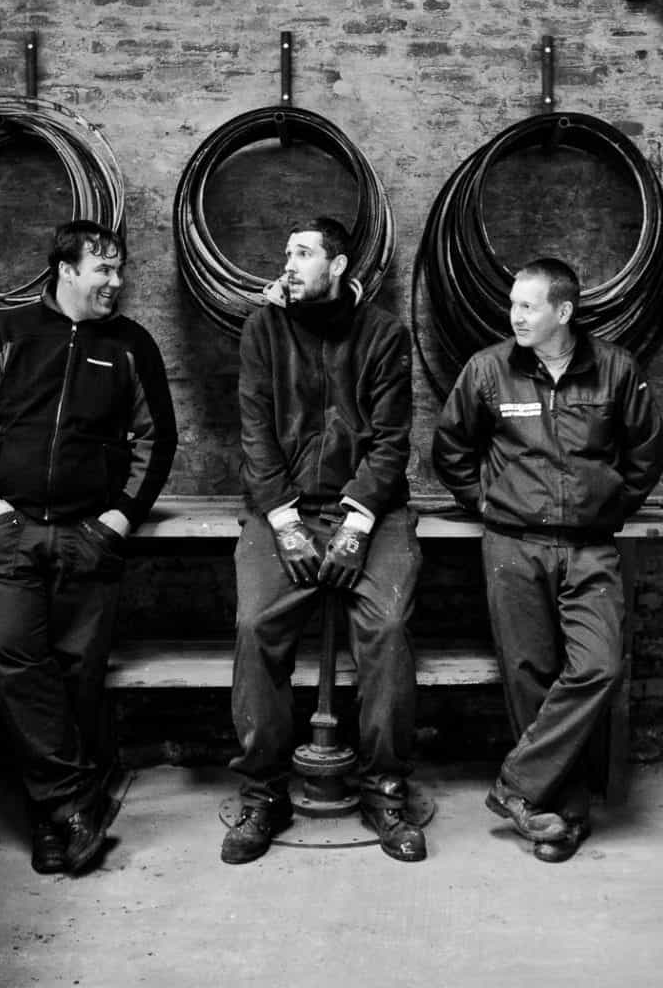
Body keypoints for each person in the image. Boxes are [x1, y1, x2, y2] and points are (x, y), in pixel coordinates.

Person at [0, 220, 176, 876]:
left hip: (87, 536)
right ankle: (76, 805)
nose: (116, 281)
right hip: (13, 534)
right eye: (103, 269)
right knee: (21, 667)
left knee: (79, 676)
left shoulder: (131, 345)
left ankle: (56, 822)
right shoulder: (9, 336)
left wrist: (117, 520)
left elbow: (155, 439)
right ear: (66, 269)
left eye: (119, 269)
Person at [431, 256, 663, 863]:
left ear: (563, 312)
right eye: (513, 304)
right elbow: (450, 446)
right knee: (529, 674)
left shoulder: (615, 369)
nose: (515, 315)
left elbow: (645, 453)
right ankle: (559, 815)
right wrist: (487, 501)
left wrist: (608, 501)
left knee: (598, 666)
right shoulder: (488, 369)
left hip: (590, 545)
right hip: (514, 544)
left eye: (528, 306)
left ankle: (516, 785)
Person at [222, 215, 426, 865]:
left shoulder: (385, 334)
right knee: (256, 627)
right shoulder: (264, 327)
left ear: (338, 266)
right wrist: (283, 520)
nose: (288, 263)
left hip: (370, 510)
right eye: (287, 251)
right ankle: (263, 793)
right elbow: (254, 433)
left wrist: (358, 523)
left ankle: (385, 786)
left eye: (304, 253)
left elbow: (393, 439)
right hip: (282, 507)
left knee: (388, 627)